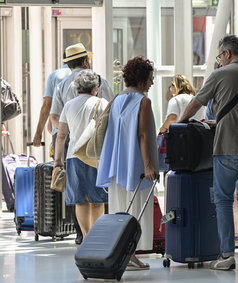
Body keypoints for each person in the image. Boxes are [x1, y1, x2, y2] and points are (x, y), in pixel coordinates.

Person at [179, 35, 238, 271]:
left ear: (227, 54)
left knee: (224, 201)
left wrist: (180, 122)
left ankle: (227, 254)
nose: (219, 61)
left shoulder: (219, 74)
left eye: (219, 56)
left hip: (228, 147)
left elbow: (196, 103)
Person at [96, 56, 159, 271]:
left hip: (116, 164)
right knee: (136, 211)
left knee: (120, 210)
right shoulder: (143, 101)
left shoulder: (115, 100)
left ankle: (124, 253)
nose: (152, 83)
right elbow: (143, 135)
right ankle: (129, 253)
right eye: (150, 78)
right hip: (136, 166)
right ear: (142, 79)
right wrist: (149, 165)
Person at [49, 43, 114, 245]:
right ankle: (97, 236)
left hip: (74, 155)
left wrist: (57, 161)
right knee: (98, 199)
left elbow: (60, 134)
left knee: (80, 199)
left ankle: (85, 237)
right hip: (97, 155)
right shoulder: (101, 100)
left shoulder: (66, 97)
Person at [33, 54, 71, 147]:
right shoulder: (88, 76)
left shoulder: (55, 76)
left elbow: (47, 105)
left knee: (60, 161)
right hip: (82, 133)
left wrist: (38, 133)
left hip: (60, 131)